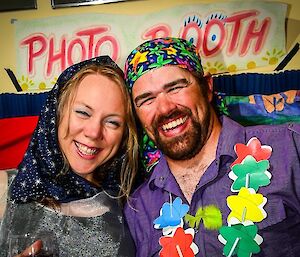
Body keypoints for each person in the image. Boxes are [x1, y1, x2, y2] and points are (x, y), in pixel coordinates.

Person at [123, 37, 300, 257]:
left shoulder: (291, 148)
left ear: (207, 87)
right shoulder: (138, 208)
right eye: (146, 100)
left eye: (176, 87)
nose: (165, 108)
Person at [0, 56, 138, 257]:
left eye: (112, 122)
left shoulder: (132, 205)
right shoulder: (4, 187)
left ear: (124, 135)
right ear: (57, 112)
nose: (93, 132)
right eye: (83, 112)